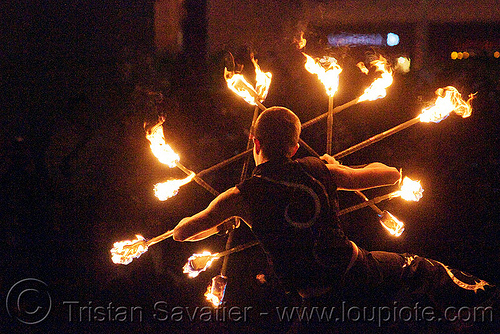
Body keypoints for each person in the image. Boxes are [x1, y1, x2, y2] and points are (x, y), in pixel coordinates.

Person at [173, 107, 497, 331]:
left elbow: (183, 233)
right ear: (295, 145)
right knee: (430, 274)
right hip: (361, 274)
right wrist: (334, 168)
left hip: (318, 300)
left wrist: (223, 220)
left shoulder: (239, 197)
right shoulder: (318, 169)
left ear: (255, 144)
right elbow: (388, 177)